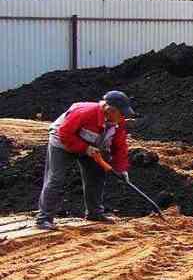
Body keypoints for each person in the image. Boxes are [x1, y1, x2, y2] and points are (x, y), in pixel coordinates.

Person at [36, 91, 134, 230]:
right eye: (121, 112)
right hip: (62, 142)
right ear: (109, 109)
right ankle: (44, 219)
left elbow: (120, 147)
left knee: (97, 175)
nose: (123, 116)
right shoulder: (85, 112)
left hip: (91, 145)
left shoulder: (118, 122)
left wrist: (121, 169)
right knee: (56, 178)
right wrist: (85, 148)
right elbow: (65, 132)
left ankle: (95, 213)